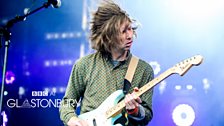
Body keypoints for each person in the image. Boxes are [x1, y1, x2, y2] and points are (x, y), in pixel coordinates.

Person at [59, 1, 154, 126]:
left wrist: (135, 110)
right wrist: (72, 119)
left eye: (130, 28)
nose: (130, 35)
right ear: (108, 36)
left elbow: (147, 115)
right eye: (124, 31)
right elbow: (68, 102)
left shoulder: (143, 69)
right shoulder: (84, 65)